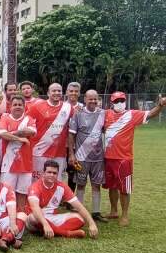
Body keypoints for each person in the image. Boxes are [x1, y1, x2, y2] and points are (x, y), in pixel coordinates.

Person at [103, 92, 166, 226]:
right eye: (116, 100)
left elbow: (150, 114)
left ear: (125, 101)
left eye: (122, 100)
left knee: (125, 188)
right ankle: (113, 211)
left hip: (124, 159)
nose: (119, 103)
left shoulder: (131, 114)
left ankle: (125, 215)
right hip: (108, 157)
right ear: (111, 102)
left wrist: (160, 105)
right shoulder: (105, 114)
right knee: (112, 186)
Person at [26, 160, 98, 239]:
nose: (52, 175)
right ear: (43, 173)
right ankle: (66, 233)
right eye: (49, 172)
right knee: (33, 218)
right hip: (36, 218)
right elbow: (35, 208)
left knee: (80, 218)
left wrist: (92, 223)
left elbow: (79, 207)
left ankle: (52, 231)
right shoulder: (35, 187)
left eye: (54, 173)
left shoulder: (62, 187)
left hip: (52, 217)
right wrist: (45, 224)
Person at [67, 89, 107, 222]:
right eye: (90, 99)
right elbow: (71, 134)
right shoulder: (78, 114)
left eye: (95, 99)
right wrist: (71, 154)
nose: (93, 101)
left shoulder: (103, 114)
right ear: (85, 99)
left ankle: (96, 212)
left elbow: (106, 131)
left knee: (96, 185)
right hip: (81, 157)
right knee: (81, 184)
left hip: (98, 158)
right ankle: (79, 211)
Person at [0, 95, 37, 211]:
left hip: (26, 164)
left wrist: (12, 133)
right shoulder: (5, 118)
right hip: (8, 164)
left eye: (20, 105)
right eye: (15, 104)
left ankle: (20, 214)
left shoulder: (29, 119)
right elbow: (2, 134)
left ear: (24, 106)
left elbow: (30, 132)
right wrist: (20, 138)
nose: (17, 107)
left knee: (22, 193)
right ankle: (6, 214)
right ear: (10, 106)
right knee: (7, 192)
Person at [27, 83, 73, 180]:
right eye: (54, 91)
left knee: (56, 181)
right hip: (39, 152)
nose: (57, 93)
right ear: (48, 93)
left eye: (59, 91)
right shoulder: (37, 106)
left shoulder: (68, 108)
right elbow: (26, 123)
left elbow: (72, 129)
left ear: (62, 93)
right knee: (38, 181)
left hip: (59, 153)